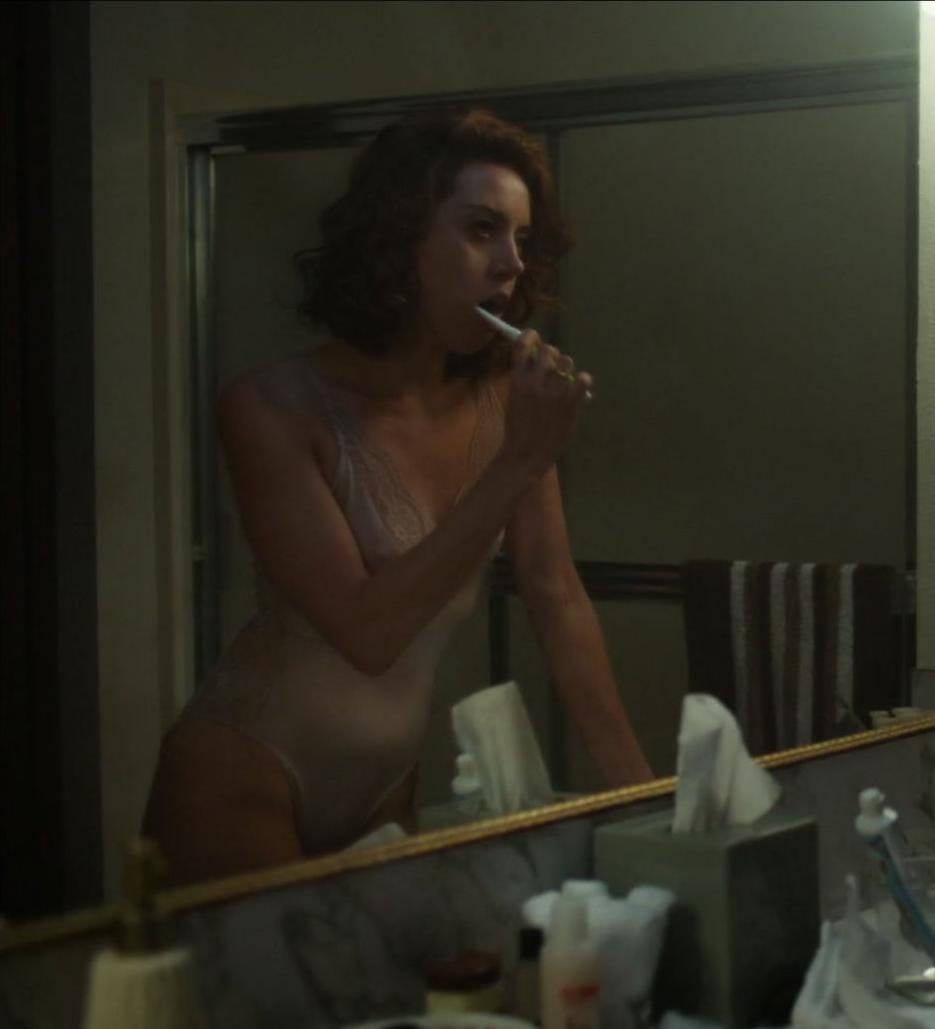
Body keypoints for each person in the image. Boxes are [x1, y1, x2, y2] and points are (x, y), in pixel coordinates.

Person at [143, 109, 654, 885]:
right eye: (482, 229)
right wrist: (520, 460)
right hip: (241, 773)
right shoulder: (270, 406)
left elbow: (556, 595)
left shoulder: (503, 401)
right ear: (398, 235)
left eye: (522, 239)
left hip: (385, 786)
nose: (511, 263)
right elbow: (368, 632)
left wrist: (650, 802)